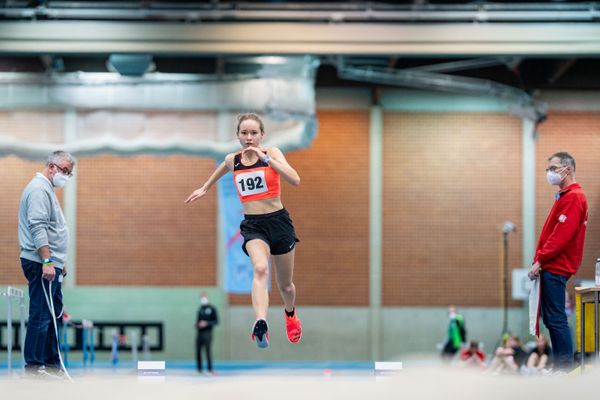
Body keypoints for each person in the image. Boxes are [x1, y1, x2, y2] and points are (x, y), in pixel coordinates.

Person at [185, 113, 302, 349]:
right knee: (259, 269)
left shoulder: (273, 154)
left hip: (279, 223)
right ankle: (260, 322)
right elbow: (222, 168)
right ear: (238, 135)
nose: (249, 138)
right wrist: (205, 187)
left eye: (254, 133)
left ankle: (290, 315)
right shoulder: (232, 160)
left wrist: (266, 160)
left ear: (261, 135)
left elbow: (295, 179)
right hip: (253, 226)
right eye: (244, 133)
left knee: (285, 285)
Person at [18, 150, 75, 378]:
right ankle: (34, 367)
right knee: (41, 315)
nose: (65, 176)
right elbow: (37, 226)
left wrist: (59, 261)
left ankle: (52, 365)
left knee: (54, 315)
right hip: (40, 262)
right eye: (63, 171)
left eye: (69, 174)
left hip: (52, 263)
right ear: (51, 167)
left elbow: (52, 230)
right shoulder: (39, 189)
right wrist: (48, 260)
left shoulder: (47, 190)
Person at [528, 151, 587, 371]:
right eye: (548, 169)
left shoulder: (573, 197)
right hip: (552, 265)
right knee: (552, 320)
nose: (549, 173)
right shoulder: (565, 196)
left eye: (553, 168)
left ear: (568, 169)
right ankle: (561, 367)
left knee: (556, 319)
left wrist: (540, 260)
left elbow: (561, 236)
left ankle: (565, 369)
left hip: (555, 265)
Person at [196, 292, 219, 374]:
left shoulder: (212, 308)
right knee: (198, 351)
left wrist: (206, 323)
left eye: (204, 297)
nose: (203, 299)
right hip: (199, 333)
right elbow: (197, 321)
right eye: (202, 297)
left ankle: (210, 369)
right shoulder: (200, 309)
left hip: (208, 333)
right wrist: (198, 325)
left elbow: (216, 321)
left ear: (207, 298)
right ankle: (199, 369)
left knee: (208, 350)